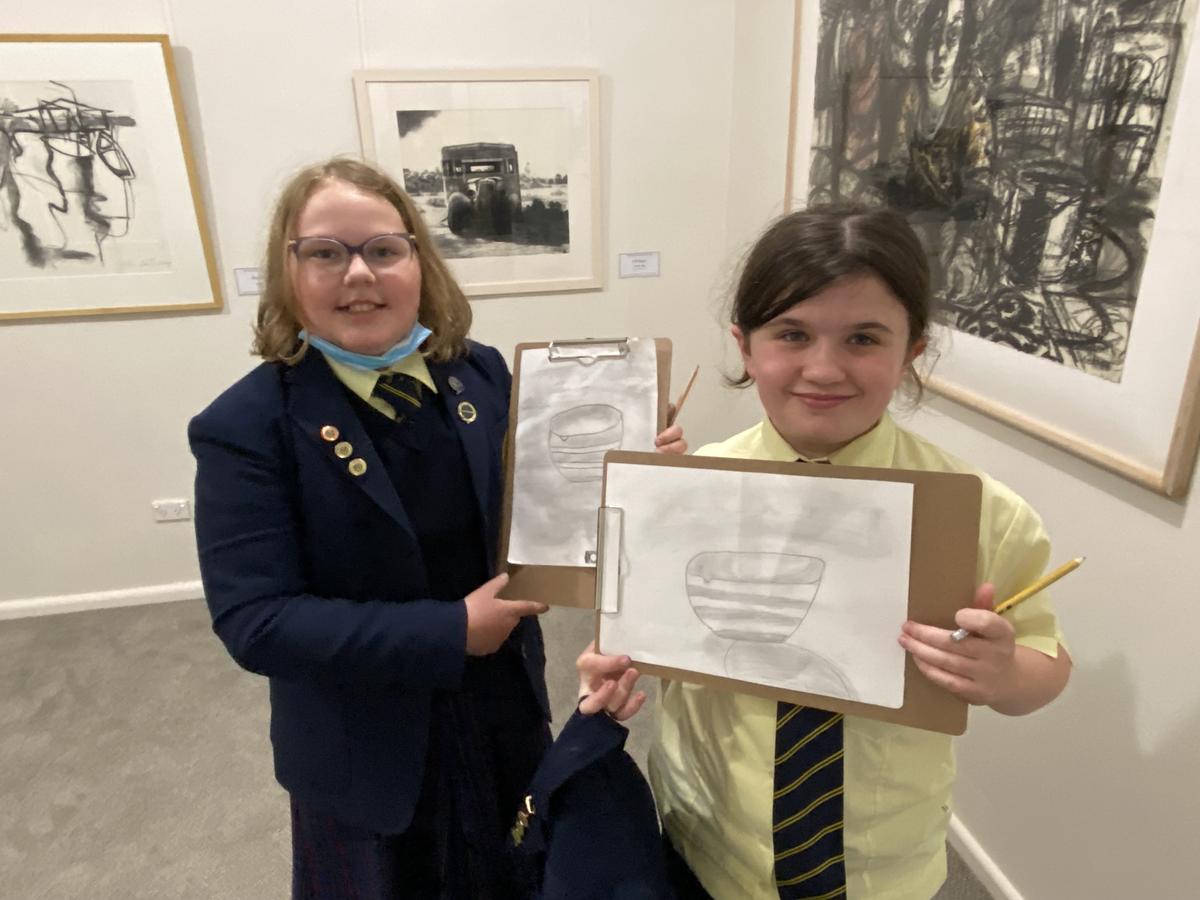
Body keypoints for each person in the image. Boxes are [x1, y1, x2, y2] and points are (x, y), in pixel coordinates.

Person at [188, 156, 685, 899]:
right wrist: (452, 631)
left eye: (383, 249)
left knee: (516, 871)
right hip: (367, 754)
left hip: (503, 714)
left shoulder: (480, 374)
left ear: (419, 261)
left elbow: (541, 507)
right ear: (288, 272)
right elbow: (256, 623)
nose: (359, 273)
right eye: (325, 252)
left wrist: (632, 472)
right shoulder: (244, 426)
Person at [622, 204, 1072, 899]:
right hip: (708, 833)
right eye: (792, 334)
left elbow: (1046, 664)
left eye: (863, 338)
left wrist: (1003, 671)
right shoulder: (694, 492)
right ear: (746, 346)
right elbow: (646, 637)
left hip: (878, 861)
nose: (824, 369)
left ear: (911, 351)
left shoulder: (979, 511)